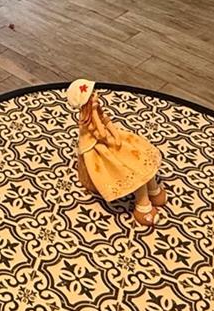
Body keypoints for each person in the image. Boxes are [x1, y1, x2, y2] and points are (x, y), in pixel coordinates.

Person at [67, 79, 168, 226]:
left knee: (139, 154)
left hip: (109, 140)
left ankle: (153, 189)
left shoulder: (97, 111)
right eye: (92, 96)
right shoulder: (86, 120)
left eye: (94, 93)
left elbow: (107, 122)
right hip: (96, 148)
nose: (96, 96)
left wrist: (116, 135)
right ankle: (143, 205)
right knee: (130, 170)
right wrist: (94, 113)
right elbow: (101, 134)